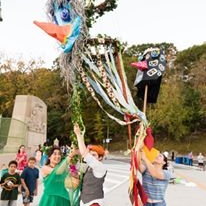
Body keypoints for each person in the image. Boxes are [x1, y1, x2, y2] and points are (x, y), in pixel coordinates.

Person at [74, 123, 107, 206]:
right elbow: (74, 170)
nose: (91, 157)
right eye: (91, 155)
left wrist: (78, 134)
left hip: (94, 203)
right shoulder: (87, 166)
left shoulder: (100, 167)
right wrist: (72, 156)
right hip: (84, 201)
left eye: (94, 155)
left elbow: (85, 154)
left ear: (100, 158)